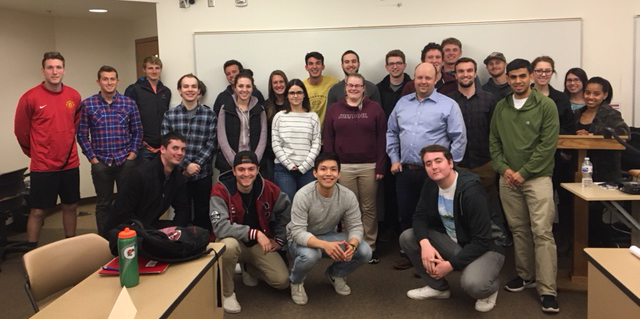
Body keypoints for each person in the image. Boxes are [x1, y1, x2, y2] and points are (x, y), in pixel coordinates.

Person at [489, 58, 560, 313]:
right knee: (518, 229)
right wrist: (505, 170)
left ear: (531, 76)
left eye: (522, 76)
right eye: (513, 77)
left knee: (542, 232)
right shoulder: (501, 106)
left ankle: (547, 289)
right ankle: (525, 275)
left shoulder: (546, 105)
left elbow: (547, 145)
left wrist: (524, 172)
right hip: (508, 179)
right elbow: (494, 142)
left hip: (537, 178)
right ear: (507, 79)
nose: (518, 81)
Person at [399, 145, 505, 313]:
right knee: (408, 237)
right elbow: (419, 216)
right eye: (428, 163)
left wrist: (450, 265)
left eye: (438, 161)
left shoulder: (471, 191)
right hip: (458, 242)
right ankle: (439, 288)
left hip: (488, 247)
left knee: (474, 285)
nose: (433, 167)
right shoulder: (431, 184)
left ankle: (490, 286)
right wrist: (425, 244)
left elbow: (483, 240)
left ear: (450, 163)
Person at [387, 62, 467, 270]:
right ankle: (411, 254)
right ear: (414, 78)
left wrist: (450, 167)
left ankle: (434, 257)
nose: (423, 82)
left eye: (428, 78)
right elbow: (392, 133)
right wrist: (394, 158)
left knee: (434, 216)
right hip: (406, 170)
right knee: (406, 213)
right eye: (419, 78)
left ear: (436, 78)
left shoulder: (448, 105)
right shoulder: (403, 103)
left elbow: (458, 137)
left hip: (435, 173)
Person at [14, 51, 81, 247]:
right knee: (37, 211)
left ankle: (72, 247)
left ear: (64, 70)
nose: (54, 71)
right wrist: (35, 153)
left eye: (58, 67)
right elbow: (21, 132)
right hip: (43, 166)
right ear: (42, 70)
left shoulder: (74, 96)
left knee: (70, 206)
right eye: (50, 67)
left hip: (69, 163)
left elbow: (73, 125)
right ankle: (31, 252)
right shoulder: (30, 98)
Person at [286, 152, 372, 305]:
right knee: (311, 255)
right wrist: (324, 245)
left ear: (339, 174)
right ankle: (296, 282)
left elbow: (356, 227)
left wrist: (352, 245)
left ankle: (335, 274)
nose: (328, 174)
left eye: (333, 170)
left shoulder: (347, 196)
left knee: (365, 251)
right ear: (315, 173)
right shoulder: (303, 195)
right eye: (323, 169)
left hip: (328, 236)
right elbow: (297, 233)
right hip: (299, 240)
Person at [210, 151, 291, 314]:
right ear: (233, 171)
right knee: (230, 246)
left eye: (251, 169)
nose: (246, 174)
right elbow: (220, 227)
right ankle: (227, 293)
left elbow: (286, 209)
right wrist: (255, 233)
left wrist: (280, 239)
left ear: (257, 169)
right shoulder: (220, 189)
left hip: (257, 245)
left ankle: (247, 267)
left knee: (282, 281)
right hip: (232, 241)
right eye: (241, 169)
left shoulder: (267, 187)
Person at [324, 73, 387, 264]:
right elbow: (328, 138)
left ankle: (369, 246)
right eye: (350, 85)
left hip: (369, 166)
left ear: (363, 88)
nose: (353, 89)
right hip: (343, 167)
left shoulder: (374, 109)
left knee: (368, 207)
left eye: (357, 86)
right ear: (345, 87)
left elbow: (382, 138)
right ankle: (349, 246)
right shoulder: (335, 109)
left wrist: (380, 165)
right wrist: (331, 168)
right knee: (347, 208)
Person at [446, 58, 508, 245]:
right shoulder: (448, 101)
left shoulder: (490, 99)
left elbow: (496, 132)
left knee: (490, 203)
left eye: (469, 70)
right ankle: (465, 241)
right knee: (461, 204)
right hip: (458, 163)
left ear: (474, 73)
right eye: (461, 71)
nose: (465, 74)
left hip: (485, 162)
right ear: (455, 75)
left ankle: (498, 240)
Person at [77, 65, 143, 236]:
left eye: (112, 79)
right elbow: (82, 135)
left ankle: (126, 237)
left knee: (127, 202)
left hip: (124, 161)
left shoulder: (128, 103)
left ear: (117, 81)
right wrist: (93, 160)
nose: (109, 82)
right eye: (105, 79)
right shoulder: (87, 104)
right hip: (101, 163)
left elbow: (137, 131)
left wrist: (132, 156)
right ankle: (105, 241)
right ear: (98, 82)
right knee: (103, 204)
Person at [161, 74, 216, 232]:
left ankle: (202, 244)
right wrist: (185, 165)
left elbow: (212, 143)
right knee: (181, 214)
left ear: (199, 90)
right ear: (179, 90)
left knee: (203, 213)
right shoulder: (170, 115)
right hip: (178, 173)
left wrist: (196, 164)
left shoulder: (209, 115)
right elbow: (166, 144)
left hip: (202, 173)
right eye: (186, 86)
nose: (190, 90)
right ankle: (180, 247)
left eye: (193, 86)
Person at [105, 132, 190, 231]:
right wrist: (153, 234)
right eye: (175, 148)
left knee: (190, 233)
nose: (180, 153)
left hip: (148, 224)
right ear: (162, 149)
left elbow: (183, 208)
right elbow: (123, 213)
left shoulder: (177, 177)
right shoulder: (140, 175)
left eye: (183, 149)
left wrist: (176, 231)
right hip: (124, 230)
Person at [376, 49, 412, 242]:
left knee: (408, 192)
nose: (395, 66)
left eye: (399, 63)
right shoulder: (378, 88)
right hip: (386, 146)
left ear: (404, 65)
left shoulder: (414, 86)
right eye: (391, 63)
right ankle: (390, 226)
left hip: (409, 146)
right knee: (388, 189)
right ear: (386, 66)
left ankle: (405, 229)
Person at [272, 79, 321, 200]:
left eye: (299, 92)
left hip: (307, 170)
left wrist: (305, 166)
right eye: (292, 93)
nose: (295, 96)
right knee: (286, 207)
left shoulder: (313, 116)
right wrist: (288, 164)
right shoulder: (279, 116)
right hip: (284, 169)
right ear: (287, 96)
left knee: (307, 205)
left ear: (304, 94)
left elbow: (316, 144)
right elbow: (275, 143)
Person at [216, 70, 268, 174]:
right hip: (229, 164)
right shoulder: (225, 108)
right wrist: (234, 162)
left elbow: (263, 137)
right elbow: (222, 138)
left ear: (252, 88)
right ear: (234, 88)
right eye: (240, 86)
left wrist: (254, 161)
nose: (244, 90)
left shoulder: (260, 109)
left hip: (253, 165)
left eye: (248, 86)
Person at [124, 56, 171, 163]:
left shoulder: (166, 92)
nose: (154, 71)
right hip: (142, 147)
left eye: (157, 68)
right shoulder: (133, 90)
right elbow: (126, 118)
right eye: (150, 68)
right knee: (144, 179)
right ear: (144, 70)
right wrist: (138, 142)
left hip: (162, 147)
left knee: (161, 179)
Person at [263, 70, 289, 181]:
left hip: (291, 155)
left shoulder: (294, 104)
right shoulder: (266, 106)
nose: (279, 85)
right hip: (271, 156)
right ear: (271, 86)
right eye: (275, 83)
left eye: (281, 82)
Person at [302, 52, 339, 125]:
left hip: (328, 130)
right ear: (306, 67)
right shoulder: (301, 86)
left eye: (318, 63)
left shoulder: (334, 82)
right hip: (308, 130)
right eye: (311, 64)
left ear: (323, 66)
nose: (315, 67)